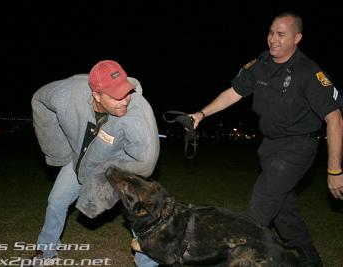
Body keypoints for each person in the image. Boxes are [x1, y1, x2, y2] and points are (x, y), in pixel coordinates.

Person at [190, 12, 343, 267]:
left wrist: (335, 169)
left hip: (297, 147)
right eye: (271, 32)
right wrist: (201, 113)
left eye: (281, 34)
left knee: (258, 212)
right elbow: (234, 93)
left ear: (297, 38)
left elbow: (335, 119)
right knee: (284, 214)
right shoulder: (261, 63)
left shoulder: (308, 72)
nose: (273, 39)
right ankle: (310, 259)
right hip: (269, 147)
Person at [30, 60, 160, 267]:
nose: (125, 101)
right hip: (80, 159)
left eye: (126, 92)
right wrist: (58, 152)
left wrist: (107, 175)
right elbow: (39, 100)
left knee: (137, 211)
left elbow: (145, 162)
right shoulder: (66, 93)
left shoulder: (137, 113)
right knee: (56, 201)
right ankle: (46, 251)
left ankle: (148, 263)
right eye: (116, 96)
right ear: (96, 95)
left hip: (120, 165)